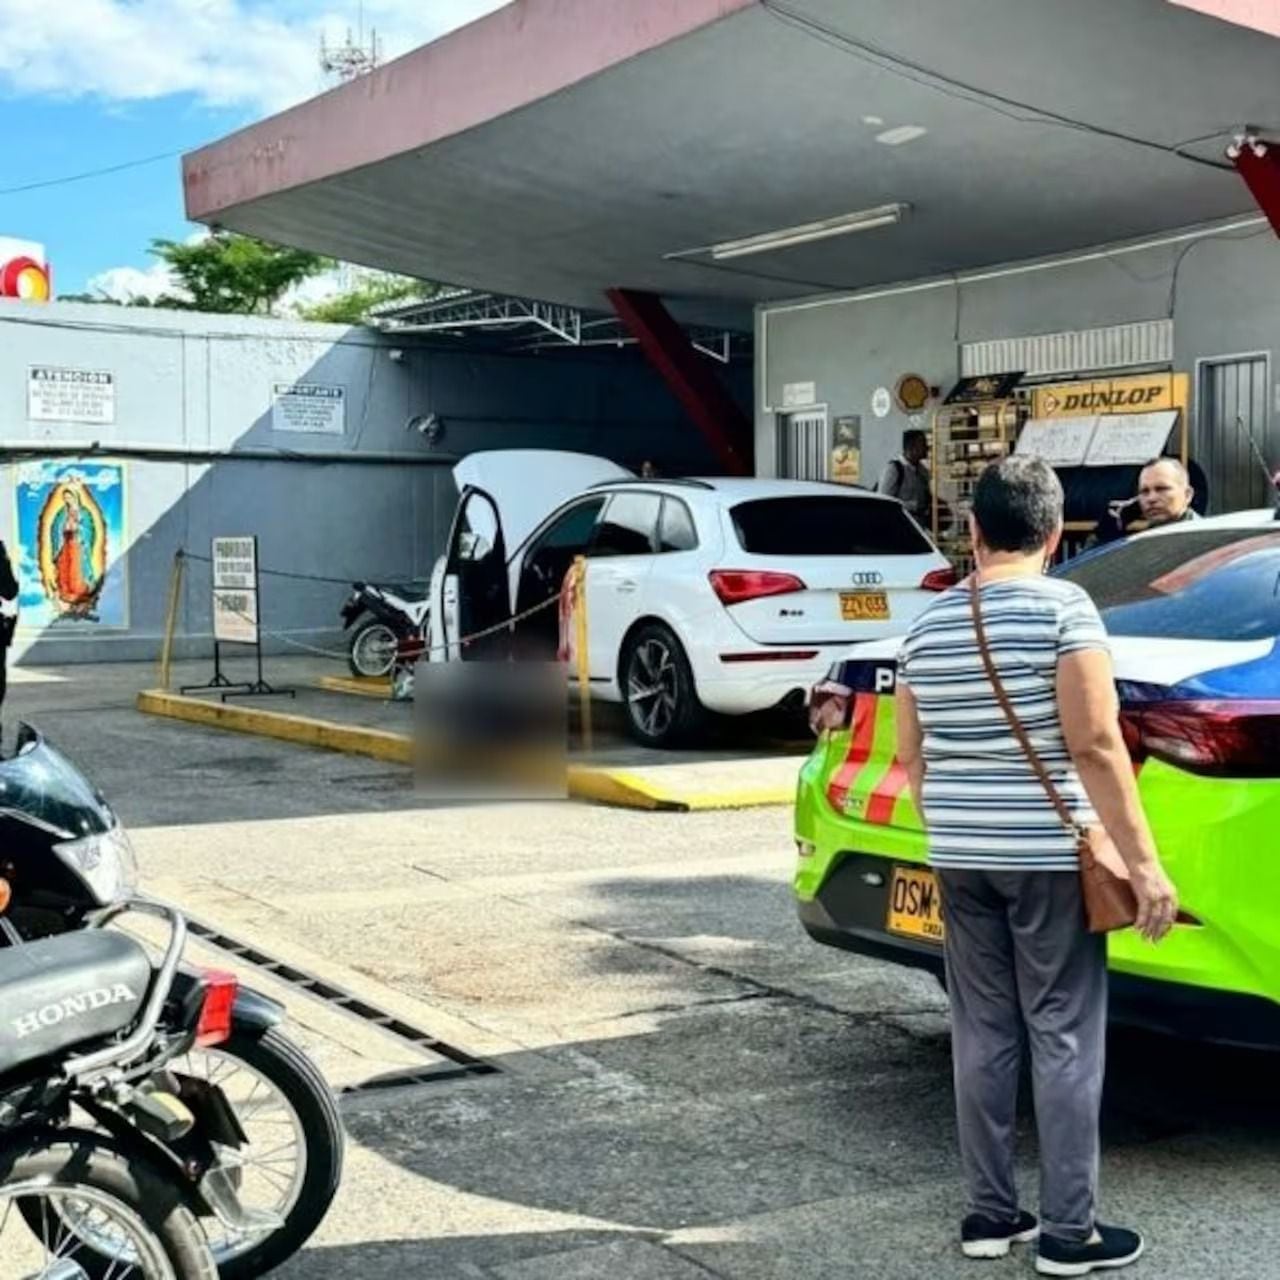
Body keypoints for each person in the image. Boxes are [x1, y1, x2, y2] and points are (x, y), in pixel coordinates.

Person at [894, 456, 1178, 1275]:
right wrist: (1144, 863)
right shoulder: (1066, 607)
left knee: (981, 1031)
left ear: (974, 532)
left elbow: (915, 756)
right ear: (1055, 534)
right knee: (1062, 1032)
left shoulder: (926, 626)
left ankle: (987, 1217)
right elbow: (1093, 744)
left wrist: (957, 827)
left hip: (960, 855)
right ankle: (1068, 1232)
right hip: (1052, 856)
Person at [1102, 457, 1199, 539]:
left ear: (1187, 494)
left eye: (1161, 489)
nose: (1151, 498)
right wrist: (1108, 533)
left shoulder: (1202, 538)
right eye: (1144, 491)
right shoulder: (1147, 538)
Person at [877, 428, 932, 524]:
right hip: (899, 525)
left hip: (919, 525)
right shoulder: (894, 469)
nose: (927, 448)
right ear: (911, 447)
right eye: (922, 444)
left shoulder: (922, 470)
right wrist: (913, 505)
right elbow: (883, 501)